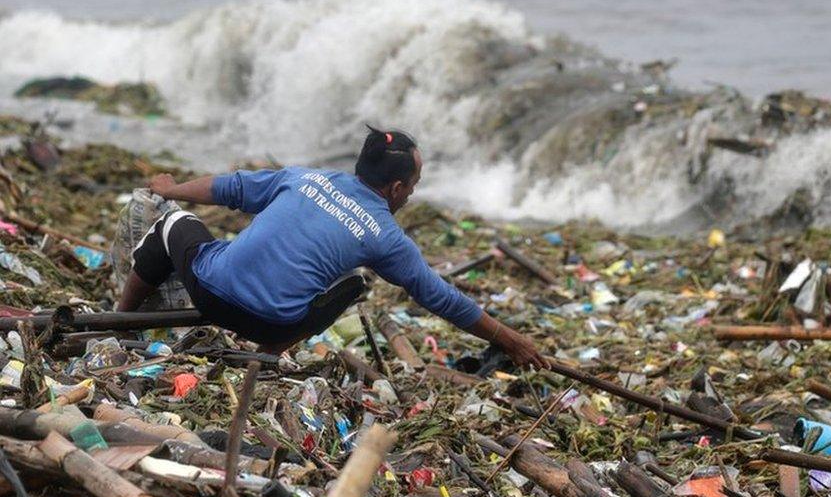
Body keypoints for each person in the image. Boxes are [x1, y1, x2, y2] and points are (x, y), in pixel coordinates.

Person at [117, 125, 549, 369]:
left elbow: (230, 187)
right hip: (270, 327)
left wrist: (174, 188)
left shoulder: (305, 178)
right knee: (352, 284)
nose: (412, 195)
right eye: (413, 186)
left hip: (210, 292)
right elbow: (439, 297)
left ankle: (120, 321)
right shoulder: (385, 236)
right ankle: (265, 359)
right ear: (396, 187)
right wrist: (510, 340)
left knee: (173, 220)